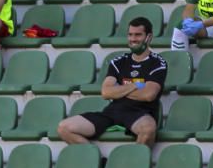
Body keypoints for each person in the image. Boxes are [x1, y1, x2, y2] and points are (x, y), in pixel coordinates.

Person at [57, 17, 166, 148]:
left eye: (138, 35)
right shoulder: (118, 62)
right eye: (130, 35)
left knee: (148, 129)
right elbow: (106, 92)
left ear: (149, 37)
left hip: (140, 113)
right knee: (64, 128)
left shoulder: (158, 63)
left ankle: (136, 165)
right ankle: (97, 161)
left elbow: (148, 94)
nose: (133, 39)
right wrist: (135, 85)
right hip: (113, 112)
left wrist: (119, 90)